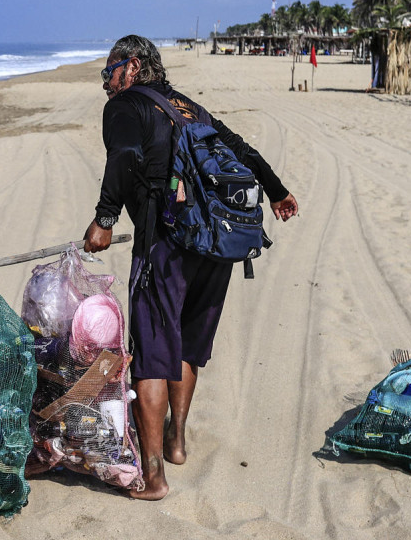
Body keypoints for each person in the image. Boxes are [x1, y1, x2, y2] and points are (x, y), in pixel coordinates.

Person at [82, 35, 299, 500]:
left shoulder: (125, 106)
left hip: (166, 244)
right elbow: (242, 150)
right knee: (187, 346)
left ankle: (154, 476)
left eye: (109, 71)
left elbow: (123, 158)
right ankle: (177, 442)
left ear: (133, 66)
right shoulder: (187, 106)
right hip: (215, 245)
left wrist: (104, 220)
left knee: (152, 353)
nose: (105, 82)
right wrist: (278, 192)